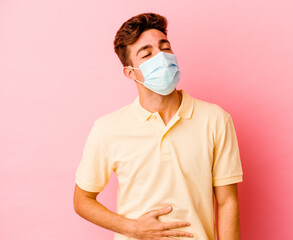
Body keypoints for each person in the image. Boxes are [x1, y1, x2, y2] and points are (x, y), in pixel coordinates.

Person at [73, 12, 244, 240]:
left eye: (165, 47)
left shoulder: (215, 120)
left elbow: (227, 201)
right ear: (130, 73)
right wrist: (131, 228)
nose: (161, 57)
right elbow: (81, 200)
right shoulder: (107, 129)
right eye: (147, 53)